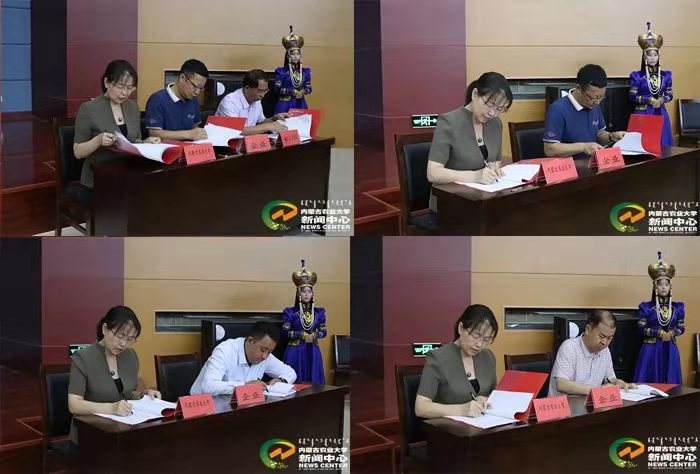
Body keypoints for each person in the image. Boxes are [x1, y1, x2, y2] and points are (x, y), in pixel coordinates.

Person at [68, 306, 161, 444]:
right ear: (105, 329)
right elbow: (74, 405)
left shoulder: (130, 356)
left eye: (130, 339)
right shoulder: (83, 358)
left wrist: (144, 395)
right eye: (120, 336)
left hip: (123, 431)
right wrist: (111, 408)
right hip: (90, 434)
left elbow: (125, 394)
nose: (123, 344)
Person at [427, 72, 512, 211]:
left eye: (499, 109)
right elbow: (433, 173)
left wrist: (493, 167)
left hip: (483, 200)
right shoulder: (448, 122)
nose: (493, 113)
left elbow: (495, 161)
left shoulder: (496, 124)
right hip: (450, 204)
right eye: (490, 104)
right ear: (475, 94)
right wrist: (475, 176)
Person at [73, 60, 161, 188]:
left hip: (128, 174)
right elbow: (78, 152)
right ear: (106, 83)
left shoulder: (132, 107)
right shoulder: (88, 109)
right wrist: (98, 140)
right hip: (100, 178)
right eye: (120, 86)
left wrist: (146, 142)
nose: (125, 93)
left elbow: (135, 142)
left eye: (129, 88)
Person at [415, 304, 498, 418]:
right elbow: (421, 408)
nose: (479, 344)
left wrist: (484, 399)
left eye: (486, 339)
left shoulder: (488, 357)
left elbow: (494, 396)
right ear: (461, 328)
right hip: (447, 427)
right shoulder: (438, 358)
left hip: (483, 425)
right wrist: (462, 409)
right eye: (475, 336)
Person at [190, 321, 297, 396]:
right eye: (263, 350)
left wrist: (281, 380)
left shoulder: (265, 356)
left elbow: (290, 372)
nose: (265, 356)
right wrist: (244, 386)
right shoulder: (225, 350)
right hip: (202, 408)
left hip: (236, 407)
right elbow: (208, 386)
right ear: (250, 341)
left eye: (269, 352)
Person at [543, 64, 625, 160]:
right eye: (592, 97)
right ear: (578, 89)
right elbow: (550, 149)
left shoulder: (594, 105)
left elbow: (599, 134)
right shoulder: (558, 109)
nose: (597, 102)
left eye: (601, 97)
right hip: (570, 165)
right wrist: (583, 147)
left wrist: (612, 136)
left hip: (593, 163)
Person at [549, 310, 636, 396]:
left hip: (589, 403)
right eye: (601, 336)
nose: (604, 342)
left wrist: (617, 383)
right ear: (588, 329)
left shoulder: (605, 350)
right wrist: (596, 390)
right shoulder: (570, 347)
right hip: (564, 404)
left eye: (609, 338)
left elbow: (609, 379)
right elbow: (561, 384)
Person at [633, 252, 685, 384]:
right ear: (655, 286)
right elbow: (641, 328)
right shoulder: (646, 307)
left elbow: (681, 327)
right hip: (651, 348)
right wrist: (659, 333)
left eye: (666, 284)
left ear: (670, 286)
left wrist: (671, 333)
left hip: (670, 347)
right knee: (649, 383)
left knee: (671, 382)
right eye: (660, 284)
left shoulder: (677, 307)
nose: (663, 287)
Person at [281, 260, 327, 384]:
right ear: (298, 293)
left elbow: (324, 331)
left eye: (309, 291)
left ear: (313, 293)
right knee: (294, 381)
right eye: (303, 291)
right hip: (295, 350)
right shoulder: (290, 312)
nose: (306, 294)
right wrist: (301, 334)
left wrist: (314, 335)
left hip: (312, 349)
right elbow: (284, 333)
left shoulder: (319, 312)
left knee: (314, 382)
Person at [629, 22, 673, 146]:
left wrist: (661, 100)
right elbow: (632, 97)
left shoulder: (666, 75)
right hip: (642, 113)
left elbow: (670, 94)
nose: (653, 58)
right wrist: (649, 100)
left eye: (655, 55)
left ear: (659, 56)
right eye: (649, 55)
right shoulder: (637, 76)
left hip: (661, 111)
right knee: (643, 146)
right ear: (644, 57)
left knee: (663, 145)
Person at [144, 59, 209, 141]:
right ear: (182, 77)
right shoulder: (157, 100)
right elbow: (154, 134)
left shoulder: (193, 100)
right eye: (195, 86)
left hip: (190, 147)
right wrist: (188, 134)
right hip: (166, 147)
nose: (197, 92)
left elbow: (195, 130)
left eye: (201, 88)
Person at [215, 69, 289, 135]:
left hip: (247, 142)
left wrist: (274, 118)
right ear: (247, 88)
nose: (262, 95)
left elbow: (260, 122)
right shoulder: (230, 101)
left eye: (265, 91)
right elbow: (236, 130)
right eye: (260, 91)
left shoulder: (256, 100)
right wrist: (268, 126)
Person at [273, 25, 312, 114]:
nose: (295, 56)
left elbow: (309, 87)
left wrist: (303, 92)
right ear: (288, 55)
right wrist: (292, 91)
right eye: (293, 54)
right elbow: (277, 89)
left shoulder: (305, 72)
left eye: (298, 54)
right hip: (285, 104)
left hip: (300, 103)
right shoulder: (281, 71)